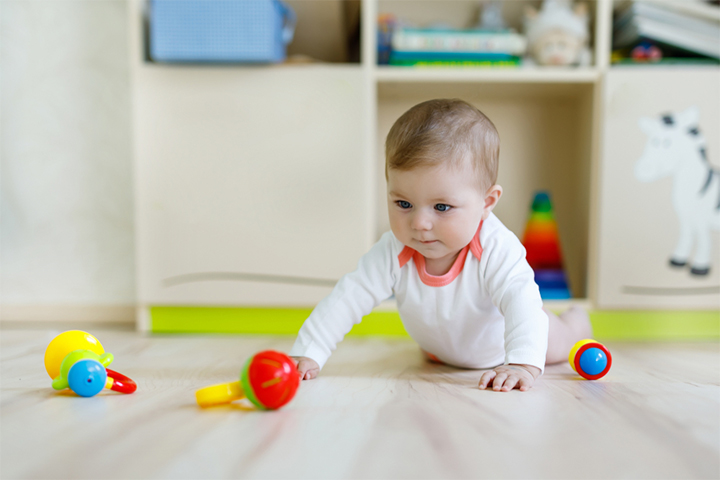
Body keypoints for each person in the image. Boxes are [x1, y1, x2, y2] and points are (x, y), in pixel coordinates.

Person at [289, 98, 592, 392]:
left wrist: (522, 363)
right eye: (404, 203)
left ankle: (576, 322)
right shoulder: (394, 250)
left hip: (503, 347)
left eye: (442, 207)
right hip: (445, 351)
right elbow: (349, 297)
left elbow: (520, 301)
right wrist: (309, 351)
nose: (420, 223)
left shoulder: (495, 247)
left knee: (557, 340)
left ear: (487, 203)